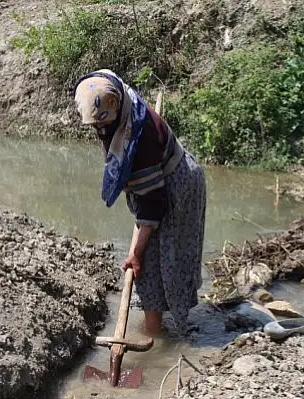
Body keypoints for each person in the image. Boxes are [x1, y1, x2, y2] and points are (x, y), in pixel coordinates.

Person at [72, 69, 207, 337]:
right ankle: (158, 325)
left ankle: (157, 335)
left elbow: (152, 203)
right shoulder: (120, 103)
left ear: (115, 108)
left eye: (102, 125)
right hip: (159, 184)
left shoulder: (139, 135)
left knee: (154, 260)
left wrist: (135, 251)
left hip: (177, 188)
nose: (100, 131)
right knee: (151, 258)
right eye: (95, 126)